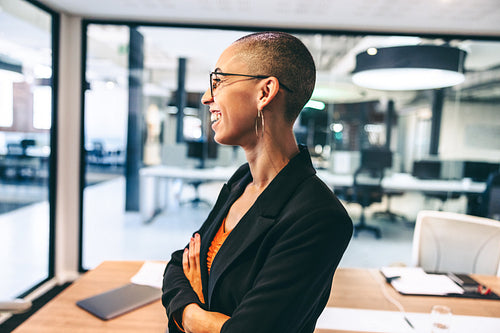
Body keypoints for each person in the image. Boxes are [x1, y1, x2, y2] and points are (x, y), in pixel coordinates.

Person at [162, 31, 353, 333]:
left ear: (265, 92)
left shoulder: (320, 217)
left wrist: (189, 312)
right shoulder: (241, 181)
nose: (206, 97)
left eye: (219, 81)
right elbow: (176, 267)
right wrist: (203, 315)